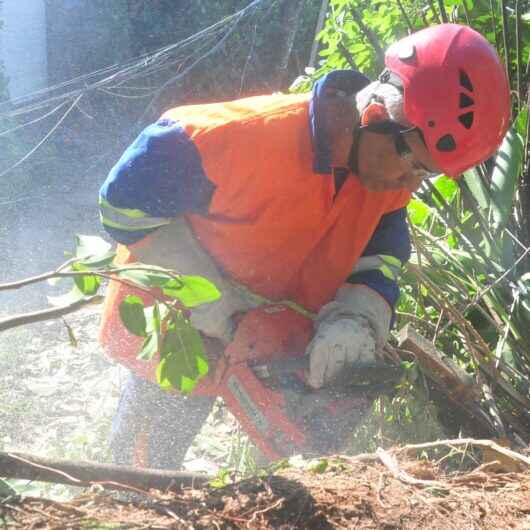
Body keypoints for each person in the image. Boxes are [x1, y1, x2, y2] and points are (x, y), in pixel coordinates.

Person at [98, 23, 510, 469]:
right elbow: (121, 206)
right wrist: (221, 307)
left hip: (268, 336)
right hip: (177, 327)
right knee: (139, 475)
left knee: (280, 486)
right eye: (413, 164)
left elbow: (381, 258)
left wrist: (357, 318)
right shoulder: (232, 138)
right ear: (378, 114)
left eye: (425, 173)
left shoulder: (385, 182)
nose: (409, 184)